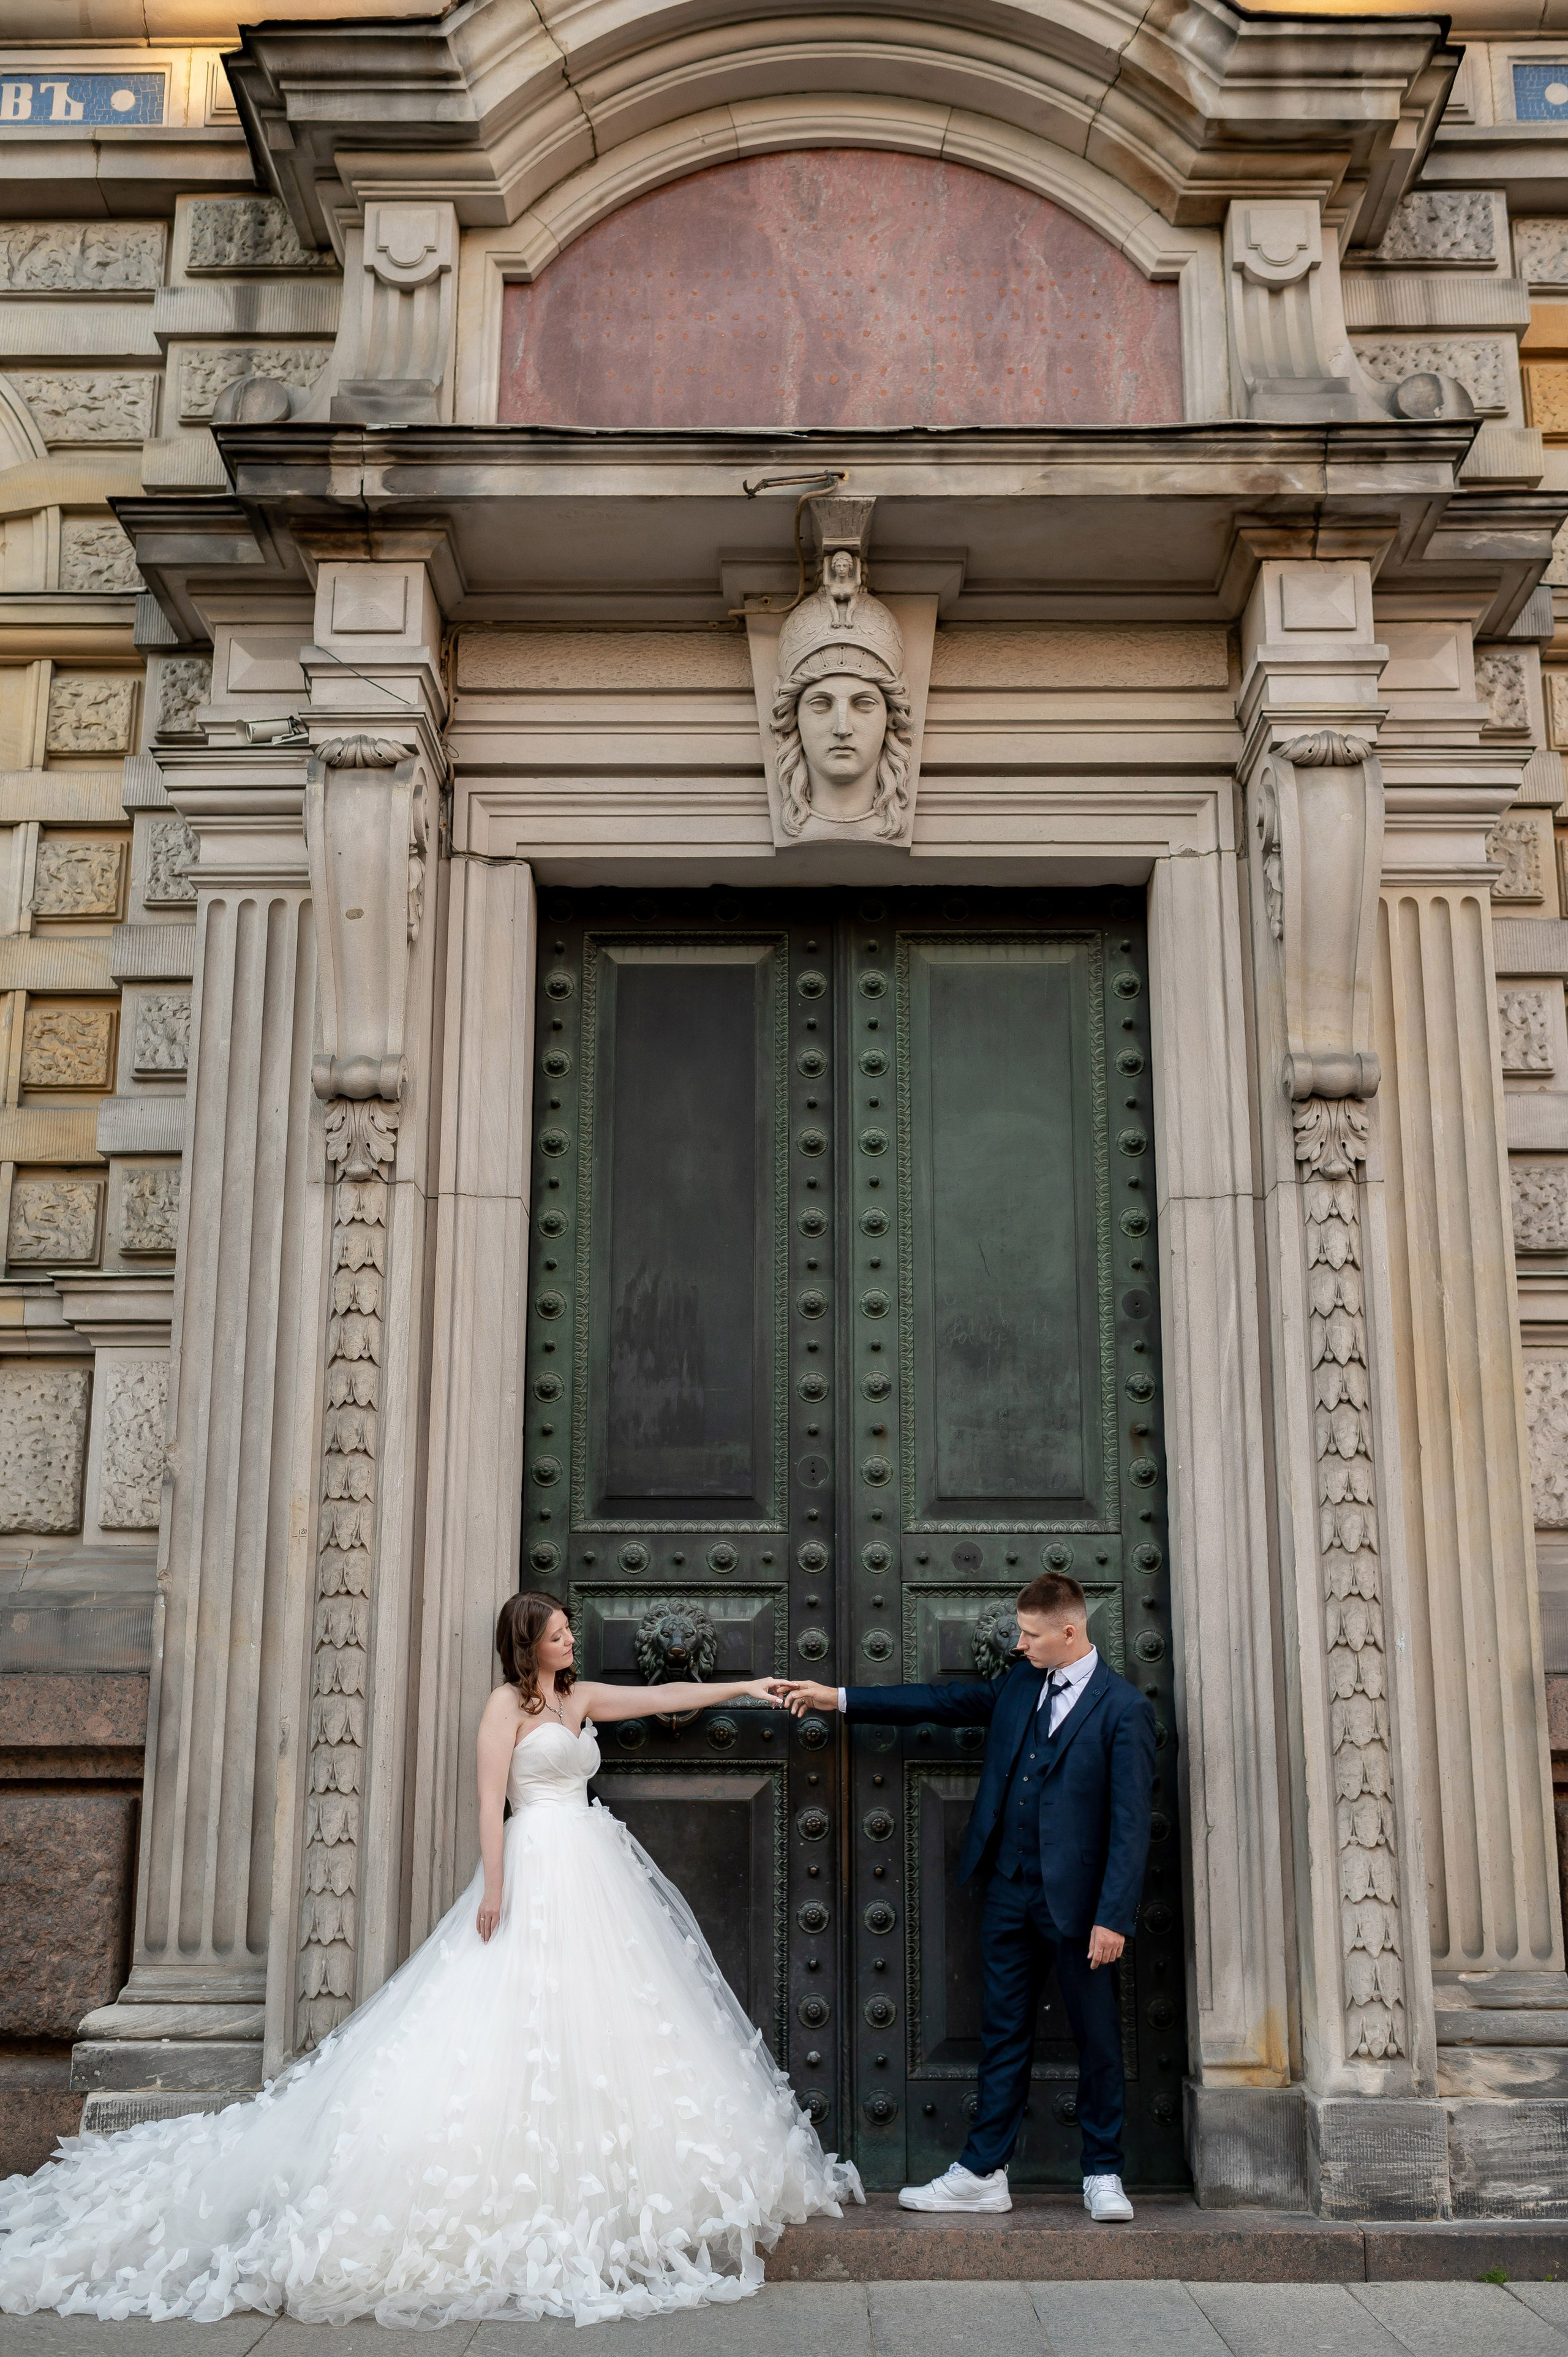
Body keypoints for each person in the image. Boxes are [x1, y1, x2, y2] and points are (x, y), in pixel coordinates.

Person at [0, 1592, 861, 2328]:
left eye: (568, 1631)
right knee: (510, 2019)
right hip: (535, 1866)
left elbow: (668, 1693)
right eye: (558, 1633)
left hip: (595, 1869)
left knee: (610, 2022)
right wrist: (493, 1889)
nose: (571, 1641)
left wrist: (748, 1683)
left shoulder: (582, 1699)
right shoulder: (505, 1711)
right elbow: (492, 1803)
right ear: (528, 1646)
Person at [780, 1569, 1154, 2222]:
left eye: (1031, 1633)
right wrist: (837, 1697)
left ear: (1069, 1631)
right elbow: (941, 1700)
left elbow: (1129, 1823)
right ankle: (983, 2171)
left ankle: (1102, 2171)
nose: (1020, 1642)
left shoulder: (1124, 1707)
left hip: (1081, 1906)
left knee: (1097, 2037)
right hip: (1009, 1889)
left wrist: (1112, 1916)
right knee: (1002, 2030)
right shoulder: (1018, 1683)